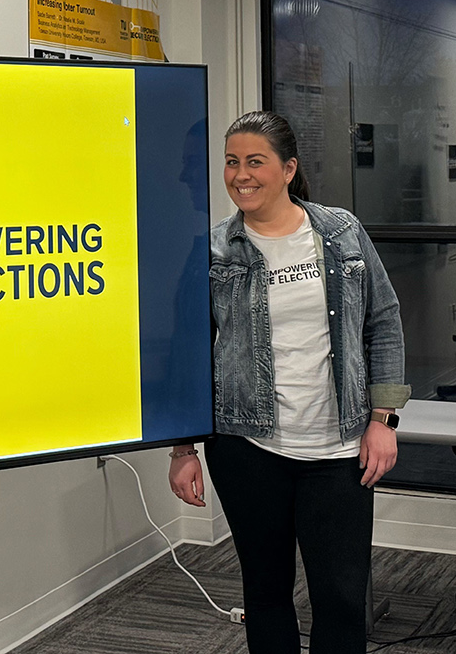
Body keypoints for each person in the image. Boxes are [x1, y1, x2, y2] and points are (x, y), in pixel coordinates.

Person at [167, 111, 410, 654]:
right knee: (267, 595)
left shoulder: (341, 232)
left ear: (288, 168)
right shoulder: (211, 251)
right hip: (247, 448)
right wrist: (182, 447)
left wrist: (383, 420)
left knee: (342, 599)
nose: (240, 175)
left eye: (255, 161)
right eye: (232, 162)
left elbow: (384, 321)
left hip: (340, 448)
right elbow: (187, 357)